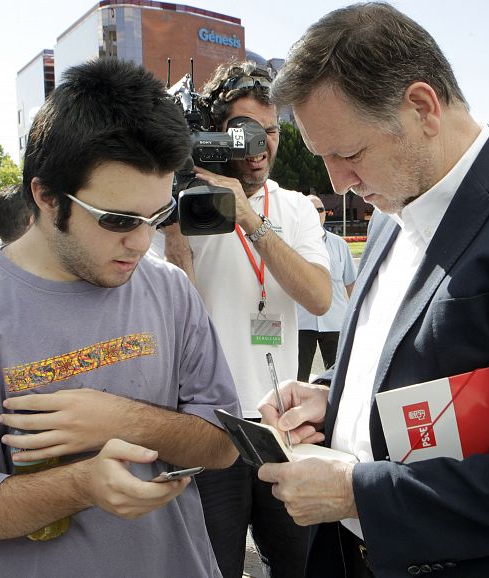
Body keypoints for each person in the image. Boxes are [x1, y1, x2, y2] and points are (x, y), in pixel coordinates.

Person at [255, 4, 489, 577]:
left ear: (421, 107)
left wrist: (357, 493)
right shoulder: (389, 215)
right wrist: (335, 398)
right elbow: (417, 361)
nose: (337, 183)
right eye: (322, 158)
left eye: (349, 154)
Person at [0, 58, 240, 577]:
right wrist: (81, 485)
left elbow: (223, 445)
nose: (141, 241)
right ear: (45, 196)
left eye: (157, 216)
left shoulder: (170, 290)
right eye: (119, 220)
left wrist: (121, 419)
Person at [161, 61, 331, 578]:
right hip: (211, 426)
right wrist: (174, 236)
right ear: (216, 134)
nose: (259, 147)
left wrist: (250, 219)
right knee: (215, 567)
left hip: (282, 427)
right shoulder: (180, 204)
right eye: (243, 132)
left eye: (272, 131)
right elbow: (176, 319)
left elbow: (320, 298)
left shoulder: (296, 207)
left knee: (297, 563)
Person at [297, 194, 357, 381]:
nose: (316, 213)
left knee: (338, 378)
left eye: (320, 209)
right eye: (311, 209)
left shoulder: (340, 245)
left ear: (326, 214)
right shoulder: (291, 244)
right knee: (299, 376)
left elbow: (351, 284)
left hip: (335, 322)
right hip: (301, 322)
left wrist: (356, 320)